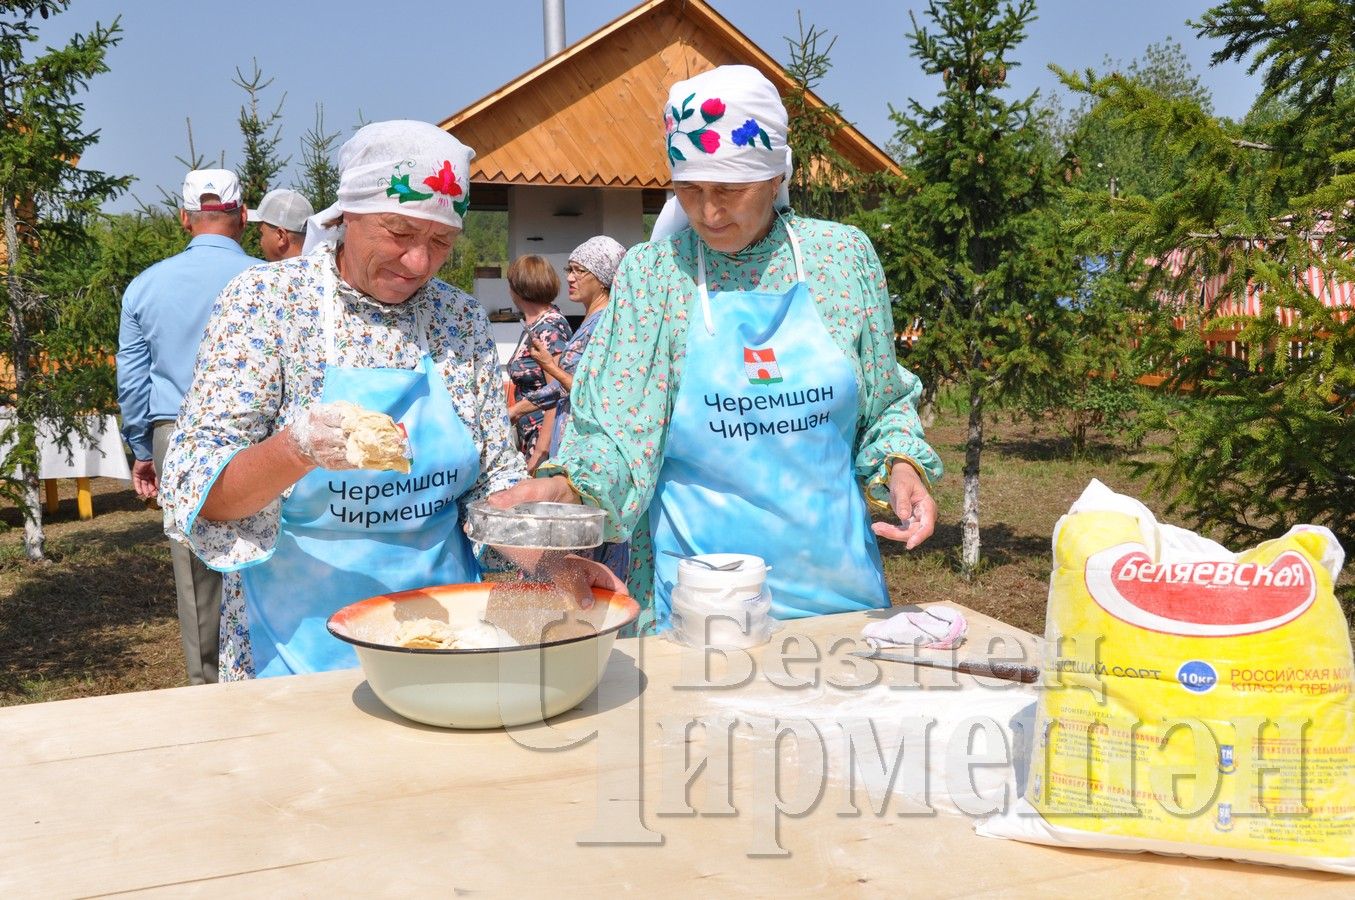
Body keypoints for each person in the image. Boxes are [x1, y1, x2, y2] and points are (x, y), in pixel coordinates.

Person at [159, 121, 619, 680]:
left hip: (446, 633)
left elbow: (491, 483)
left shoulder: (457, 319)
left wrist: (550, 564)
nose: (419, 264)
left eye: (441, 243)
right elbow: (200, 491)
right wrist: (296, 449)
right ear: (348, 213)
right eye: (399, 232)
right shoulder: (267, 303)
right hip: (296, 643)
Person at [494, 66, 943, 633]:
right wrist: (570, 486)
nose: (709, 212)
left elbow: (883, 404)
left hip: (838, 592)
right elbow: (618, 431)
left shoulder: (842, 260)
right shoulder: (654, 276)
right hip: (702, 601)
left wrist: (901, 463)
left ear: (777, 173)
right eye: (690, 189)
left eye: (730, 190)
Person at [116, 168, 260, 685]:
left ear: (184, 219)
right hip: (259, 433)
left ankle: (206, 686)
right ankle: (270, 673)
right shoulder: (268, 281)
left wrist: (141, 447)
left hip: (176, 430)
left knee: (195, 570)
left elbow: (132, 380)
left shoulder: (145, 286)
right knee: (268, 559)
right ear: (243, 215)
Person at [526, 236, 628, 458]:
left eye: (579, 271)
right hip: (571, 440)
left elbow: (591, 391)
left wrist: (550, 367)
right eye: (569, 269)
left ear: (602, 277)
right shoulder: (590, 321)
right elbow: (564, 386)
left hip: (587, 447)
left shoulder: (605, 325)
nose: (570, 278)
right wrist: (515, 411)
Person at [503, 254, 571, 472]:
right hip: (529, 434)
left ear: (517, 288)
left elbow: (557, 391)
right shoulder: (536, 324)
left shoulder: (549, 328)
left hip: (542, 441)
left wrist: (540, 453)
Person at [248, 188, 314, 261]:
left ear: (281, 236)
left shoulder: (265, 272)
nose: (260, 242)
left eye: (261, 233)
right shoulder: (324, 266)